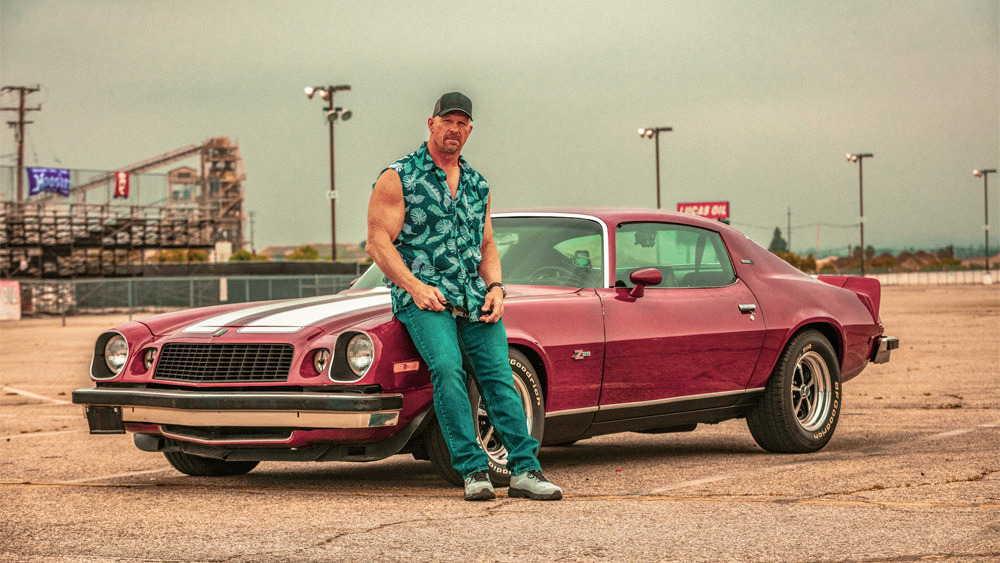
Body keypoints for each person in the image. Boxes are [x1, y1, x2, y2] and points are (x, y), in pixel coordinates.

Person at [366, 92, 563, 501]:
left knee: (498, 377)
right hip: (425, 299)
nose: (454, 129)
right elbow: (377, 243)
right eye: (447, 120)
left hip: (474, 297)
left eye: (462, 123)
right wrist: (415, 288)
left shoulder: (477, 184)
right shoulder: (398, 176)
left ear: (469, 129)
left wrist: (496, 288)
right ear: (431, 123)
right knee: (448, 370)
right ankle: (473, 471)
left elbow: (487, 244)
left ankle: (526, 470)